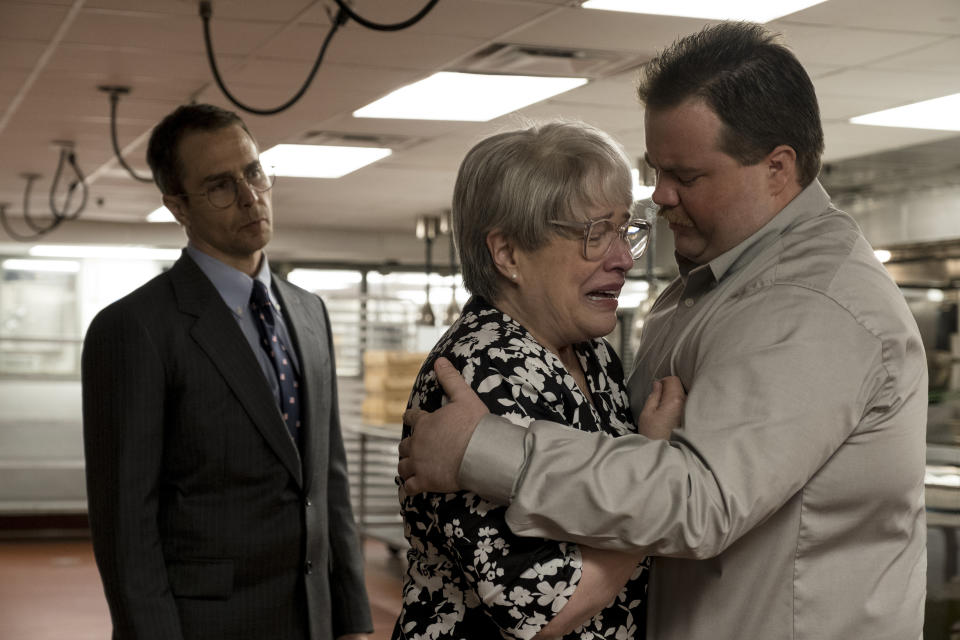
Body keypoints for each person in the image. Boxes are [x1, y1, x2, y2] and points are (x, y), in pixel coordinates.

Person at [398, 22, 928, 640]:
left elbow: (701, 503)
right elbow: (540, 598)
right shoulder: (703, 290)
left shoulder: (812, 305)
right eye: (656, 171)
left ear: (777, 169)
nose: (663, 195)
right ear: (509, 253)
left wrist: (483, 449)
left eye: (687, 175)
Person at [81, 103, 372, 640]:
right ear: (177, 206)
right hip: (206, 622)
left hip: (312, 617)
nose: (248, 196)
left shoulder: (309, 312)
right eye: (219, 185)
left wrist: (351, 617)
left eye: (254, 171)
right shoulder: (135, 328)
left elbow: (328, 480)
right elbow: (127, 525)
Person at [393, 121, 685, 640]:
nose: (622, 259)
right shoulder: (479, 371)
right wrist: (657, 466)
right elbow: (544, 604)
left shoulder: (592, 355)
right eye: (596, 234)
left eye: (625, 231)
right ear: (507, 255)